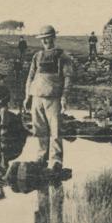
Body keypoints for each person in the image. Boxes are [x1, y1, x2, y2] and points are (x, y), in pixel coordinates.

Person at [24, 25, 73, 172]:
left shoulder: (63, 56)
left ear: (53, 38)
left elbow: (68, 78)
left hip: (53, 97)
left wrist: (64, 97)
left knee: (55, 130)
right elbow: (30, 77)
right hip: (37, 96)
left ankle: (56, 159)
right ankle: (41, 157)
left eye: (48, 38)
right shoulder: (37, 56)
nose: (46, 41)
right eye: (43, 39)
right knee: (39, 129)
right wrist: (27, 96)